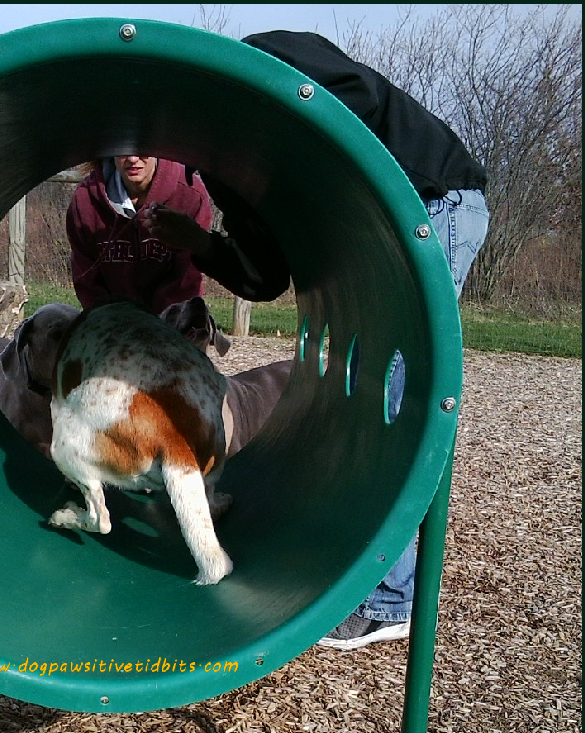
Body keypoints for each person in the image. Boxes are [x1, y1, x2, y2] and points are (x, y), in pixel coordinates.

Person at [142, 29, 490, 652]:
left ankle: (391, 602)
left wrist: (294, 161)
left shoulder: (267, 62)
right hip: (380, 229)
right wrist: (203, 246)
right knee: (368, 401)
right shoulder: (221, 170)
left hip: (429, 203)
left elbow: (353, 97)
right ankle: (369, 572)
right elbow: (265, 277)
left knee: (397, 400)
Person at [66, 155, 212, 316]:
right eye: (123, 151)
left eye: (142, 150)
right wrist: (113, 320)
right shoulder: (85, 200)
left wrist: (161, 326)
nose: (133, 159)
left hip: (172, 321)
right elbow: (86, 277)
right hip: (113, 323)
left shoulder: (190, 195)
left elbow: (187, 276)